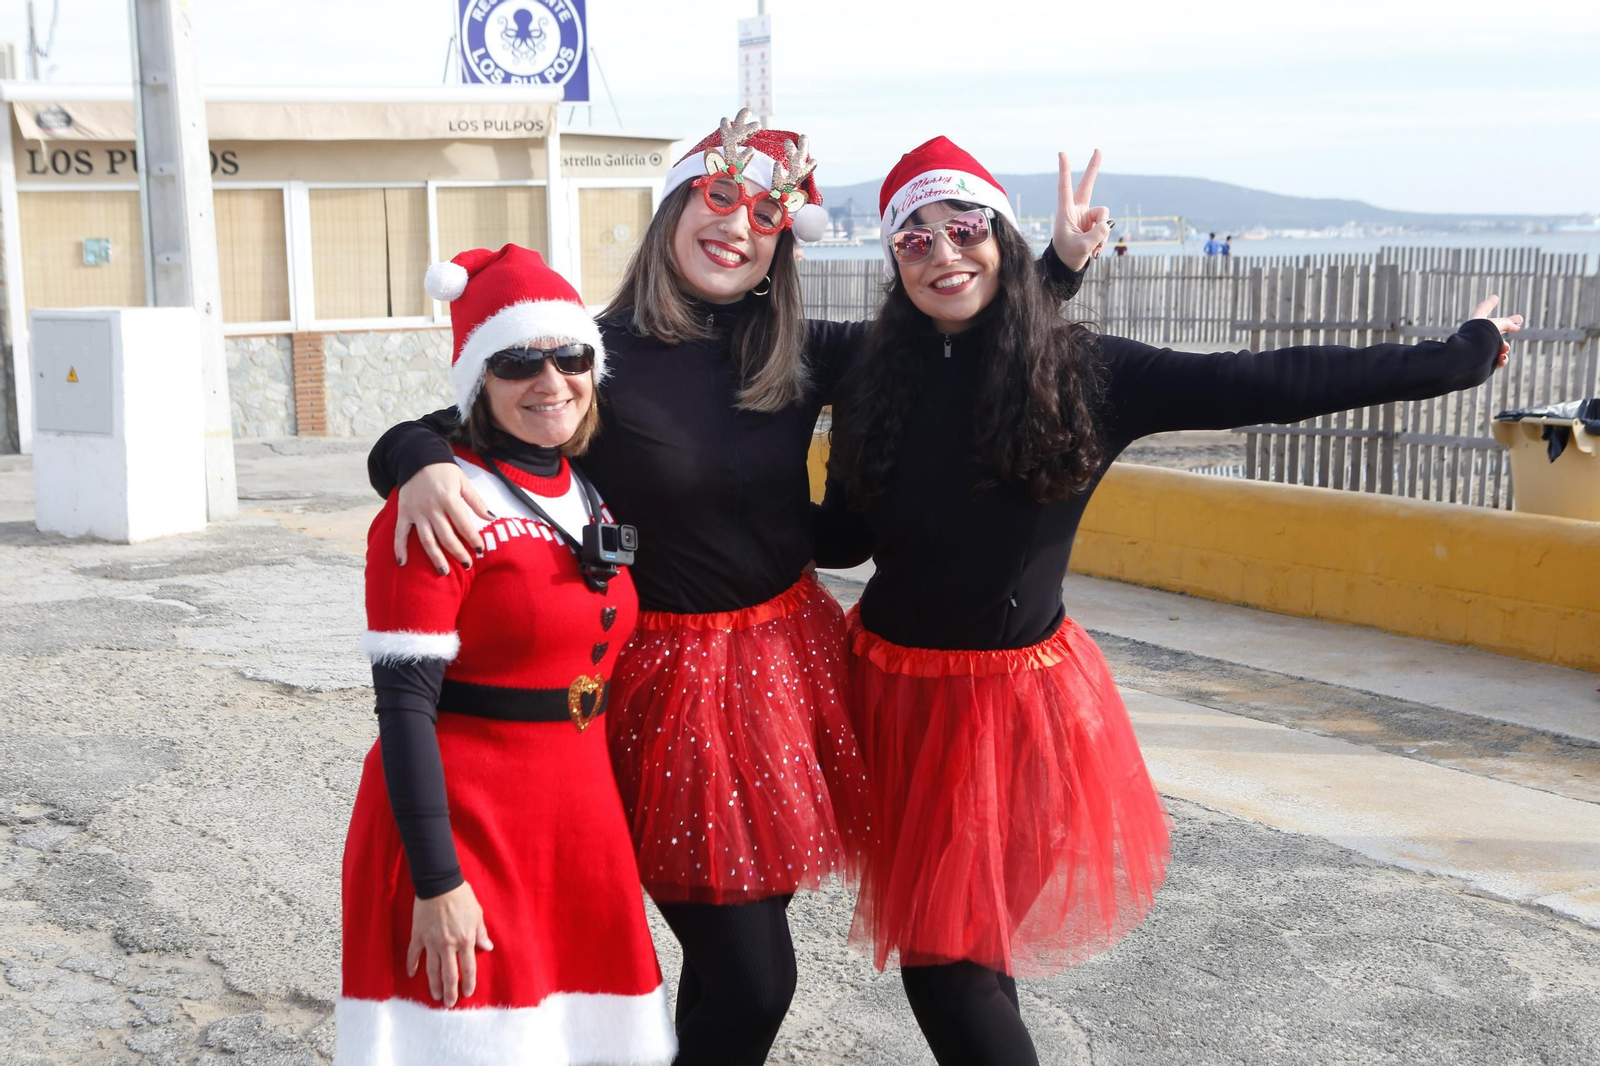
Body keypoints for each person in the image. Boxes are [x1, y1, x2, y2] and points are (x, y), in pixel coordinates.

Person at [817, 136, 1522, 1066]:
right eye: (915, 240)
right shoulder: (871, 370)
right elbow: (838, 531)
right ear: (891, 260)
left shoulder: (1087, 374)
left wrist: (1457, 359)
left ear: (1004, 238)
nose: (944, 253)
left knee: (947, 967)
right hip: (890, 705)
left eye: (966, 228)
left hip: (1015, 719)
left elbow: (1267, 381)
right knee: (968, 961)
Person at [364, 110, 872, 1066]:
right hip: (665, 686)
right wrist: (415, 460)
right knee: (756, 974)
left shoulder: (801, 349)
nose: (738, 225)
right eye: (719, 197)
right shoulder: (592, 352)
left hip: (781, 669)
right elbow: (459, 411)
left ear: (782, 244)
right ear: (676, 205)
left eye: (766, 212)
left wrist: (1052, 271)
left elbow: (952, 342)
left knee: (735, 966)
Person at [340, 245, 675, 1065]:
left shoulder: (584, 484)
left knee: (585, 1039)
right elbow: (404, 706)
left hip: (577, 815)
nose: (551, 381)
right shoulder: (440, 501)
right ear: (475, 384)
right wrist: (436, 881)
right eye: (518, 361)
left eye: (571, 356)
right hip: (464, 824)